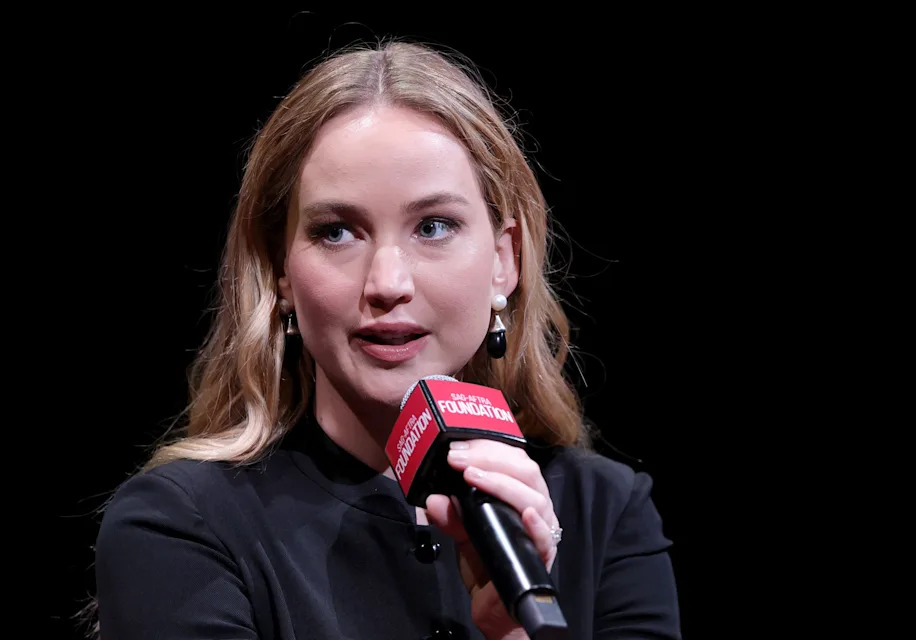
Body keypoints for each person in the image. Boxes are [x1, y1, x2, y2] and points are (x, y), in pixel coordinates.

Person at [91, 40, 682, 639]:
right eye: (337, 232)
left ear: (506, 259)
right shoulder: (180, 524)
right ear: (280, 270)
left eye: (433, 226)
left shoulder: (606, 512)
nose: (387, 284)